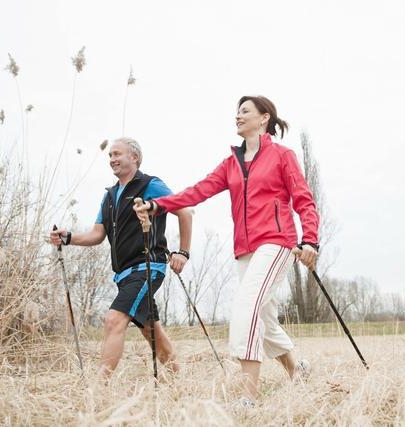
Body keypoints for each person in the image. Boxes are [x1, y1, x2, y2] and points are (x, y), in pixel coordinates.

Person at [134, 96, 319, 406]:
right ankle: (296, 371)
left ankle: (249, 396)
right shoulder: (231, 163)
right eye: (237, 112)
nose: (238, 116)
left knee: (246, 305)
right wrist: (157, 205)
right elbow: (198, 191)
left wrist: (310, 240)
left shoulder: (282, 156)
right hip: (245, 248)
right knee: (265, 316)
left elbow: (303, 200)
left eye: (245, 111)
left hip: (276, 241)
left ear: (264, 118)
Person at [50, 137, 193, 379]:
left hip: (148, 267)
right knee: (152, 331)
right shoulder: (109, 196)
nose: (112, 159)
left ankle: (98, 387)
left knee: (114, 319)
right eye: (110, 156)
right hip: (123, 275)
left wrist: (183, 252)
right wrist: (69, 237)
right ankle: (180, 381)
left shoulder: (150, 184)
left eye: (117, 154)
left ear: (134, 157)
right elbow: (97, 234)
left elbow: (185, 211)